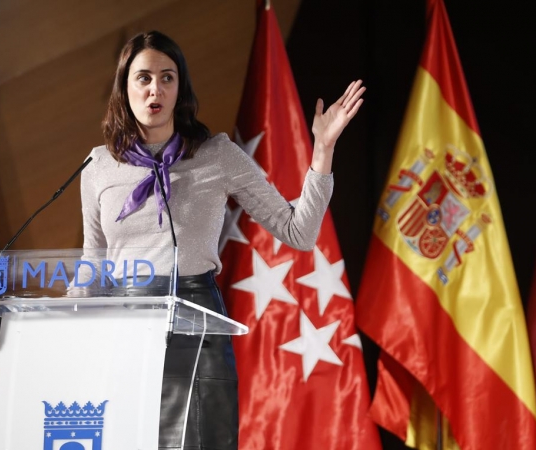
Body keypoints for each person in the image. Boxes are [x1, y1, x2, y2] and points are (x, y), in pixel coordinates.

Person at [80, 30, 364, 450]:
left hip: (197, 328)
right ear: (124, 88)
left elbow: (298, 232)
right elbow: (93, 260)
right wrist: (66, 328)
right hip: (127, 329)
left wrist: (322, 150)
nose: (155, 88)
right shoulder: (98, 165)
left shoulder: (216, 154)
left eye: (167, 77)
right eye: (142, 78)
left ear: (181, 89)